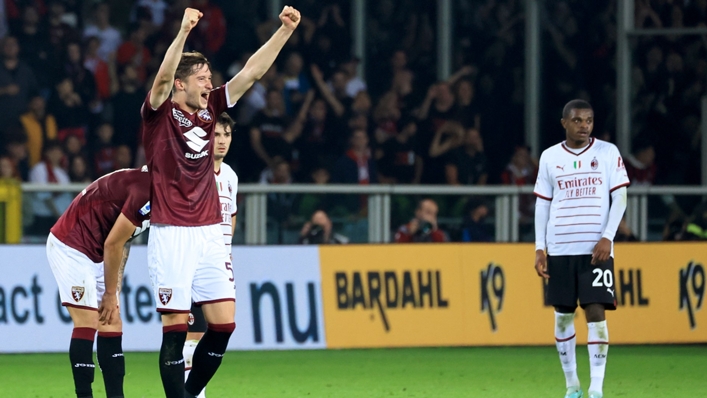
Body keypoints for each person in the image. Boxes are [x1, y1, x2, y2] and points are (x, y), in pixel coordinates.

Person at [141, 6, 300, 398]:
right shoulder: (159, 112)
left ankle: (192, 393)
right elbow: (162, 77)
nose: (209, 84)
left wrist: (284, 32)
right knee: (176, 329)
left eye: (209, 78)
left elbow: (251, 73)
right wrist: (181, 33)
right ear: (181, 84)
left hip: (210, 231)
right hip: (172, 230)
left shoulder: (211, 108)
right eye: (201, 79)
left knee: (223, 324)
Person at [534, 99, 630, 398]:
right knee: (563, 315)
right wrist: (540, 248)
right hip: (560, 247)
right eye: (577, 120)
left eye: (588, 120)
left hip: (595, 250)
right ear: (565, 122)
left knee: (596, 312)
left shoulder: (607, 152)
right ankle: (572, 385)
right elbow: (542, 204)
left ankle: (596, 389)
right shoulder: (550, 157)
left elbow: (621, 197)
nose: (584, 125)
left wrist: (608, 237)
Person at [45, 166, 151, 398]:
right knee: (88, 321)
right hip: (72, 245)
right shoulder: (147, 190)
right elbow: (113, 244)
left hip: (99, 250)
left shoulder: (155, 185)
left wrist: (115, 289)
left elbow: (125, 239)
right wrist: (110, 293)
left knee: (111, 320)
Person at [182, 113, 238, 398]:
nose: (221, 141)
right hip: (192, 260)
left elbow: (232, 216)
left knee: (219, 329)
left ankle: (192, 392)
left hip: (218, 263)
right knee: (191, 336)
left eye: (226, 135)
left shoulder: (230, 176)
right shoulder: (194, 169)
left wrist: (225, 248)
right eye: (216, 134)